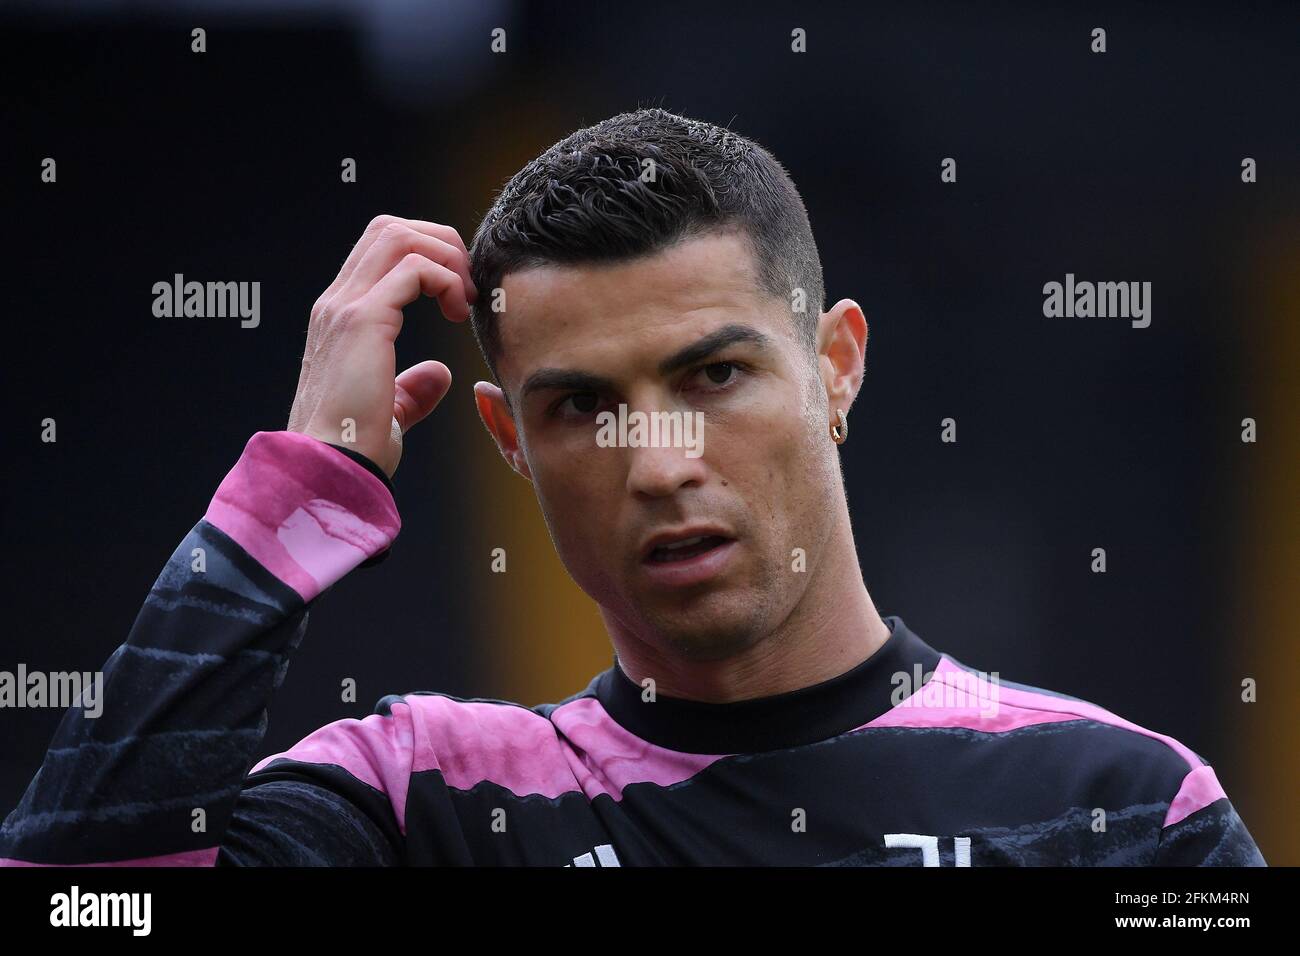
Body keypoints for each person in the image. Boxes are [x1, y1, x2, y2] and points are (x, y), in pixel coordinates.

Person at [0, 108, 1265, 866]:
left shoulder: (1121, 806)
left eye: (712, 373)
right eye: (583, 406)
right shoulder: (420, 800)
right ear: (506, 436)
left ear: (836, 364)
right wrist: (302, 490)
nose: (658, 461)